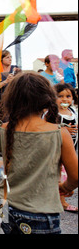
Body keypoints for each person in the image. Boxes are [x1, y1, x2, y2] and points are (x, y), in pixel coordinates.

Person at [0, 72, 78, 234]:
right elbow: (76, 176)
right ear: (47, 100)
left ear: (12, 100)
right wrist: (65, 187)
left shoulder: (2, 130)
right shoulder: (60, 133)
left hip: (2, 205)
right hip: (40, 214)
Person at [54, 82, 78, 213]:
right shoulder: (53, 113)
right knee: (57, 175)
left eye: (68, 96)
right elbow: (46, 128)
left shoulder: (72, 111)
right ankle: (61, 202)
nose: (64, 99)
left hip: (71, 149)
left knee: (65, 175)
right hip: (56, 150)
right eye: (60, 96)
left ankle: (59, 199)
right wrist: (63, 130)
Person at [0, 50, 20, 121]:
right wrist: (6, 81)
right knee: (5, 123)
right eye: (7, 57)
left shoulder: (15, 69)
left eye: (11, 57)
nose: (10, 59)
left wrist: (17, 77)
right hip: (1, 102)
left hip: (15, 101)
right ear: (1, 60)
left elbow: (23, 81)